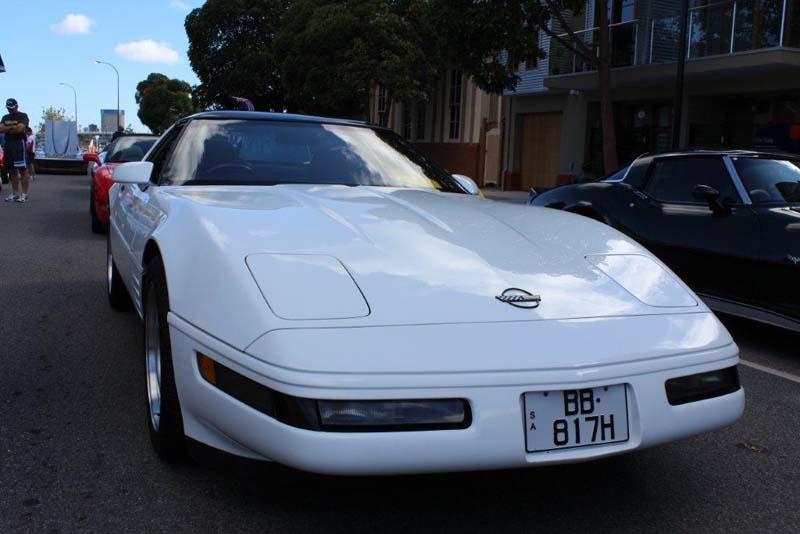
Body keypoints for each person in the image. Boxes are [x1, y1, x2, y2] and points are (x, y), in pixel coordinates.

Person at [0, 98, 31, 202]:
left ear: (17, 106)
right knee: (12, 170)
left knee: (22, 169)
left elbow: (20, 129)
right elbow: (1, 129)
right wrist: (14, 127)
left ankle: (24, 194)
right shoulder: (5, 117)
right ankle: (15, 193)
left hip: (19, 144)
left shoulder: (23, 116)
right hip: (8, 144)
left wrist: (8, 127)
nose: (10, 110)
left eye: (12, 108)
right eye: (8, 108)